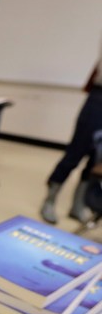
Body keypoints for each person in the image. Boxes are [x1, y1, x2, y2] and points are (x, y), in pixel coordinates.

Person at [40, 49, 102, 224]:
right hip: (98, 99)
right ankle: (49, 200)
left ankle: (78, 205)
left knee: (96, 161)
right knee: (75, 153)